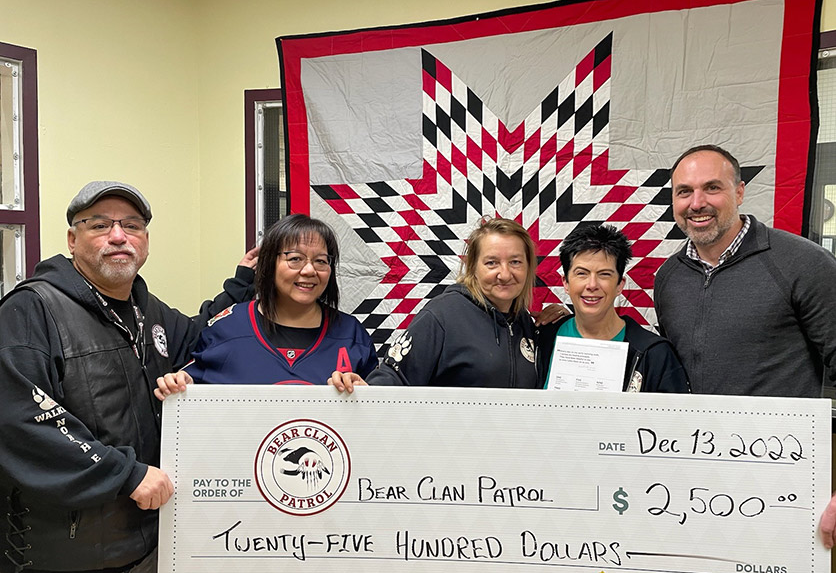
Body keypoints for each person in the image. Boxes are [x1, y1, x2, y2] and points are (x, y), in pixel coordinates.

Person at [0, 181, 257, 573]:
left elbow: (201, 337)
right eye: (100, 225)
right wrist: (128, 474)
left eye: (132, 225)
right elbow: (21, 421)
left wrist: (241, 284)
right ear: (72, 239)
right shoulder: (31, 310)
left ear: (145, 241)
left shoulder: (146, 311)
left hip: (141, 559)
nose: (118, 236)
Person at [651, 145, 836, 547]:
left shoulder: (803, 264)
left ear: (739, 191)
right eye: (684, 192)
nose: (696, 203)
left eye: (711, 188)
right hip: (691, 486)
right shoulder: (668, 277)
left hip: (784, 486)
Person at [154, 214, 377, 394]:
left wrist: (365, 394)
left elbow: (381, 415)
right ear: (269, 264)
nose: (309, 270)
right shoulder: (228, 327)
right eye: (295, 259)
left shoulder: (351, 334)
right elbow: (192, 387)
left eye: (320, 261)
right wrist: (181, 385)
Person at [330, 217, 540, 390]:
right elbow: (396, 377)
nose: (504, 274)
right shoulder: (441, 316)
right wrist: (364, 389)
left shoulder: (525, 324)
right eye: (491, 263)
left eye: (515, 262)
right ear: (473, 267)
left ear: (528, 266)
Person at [538, 223, 689, 393]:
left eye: (604, 274)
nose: (592, 285)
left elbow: (675, 418)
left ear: (620, 284)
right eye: (581, 273)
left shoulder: (655, 355)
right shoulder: (542, 339)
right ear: (565, 282)